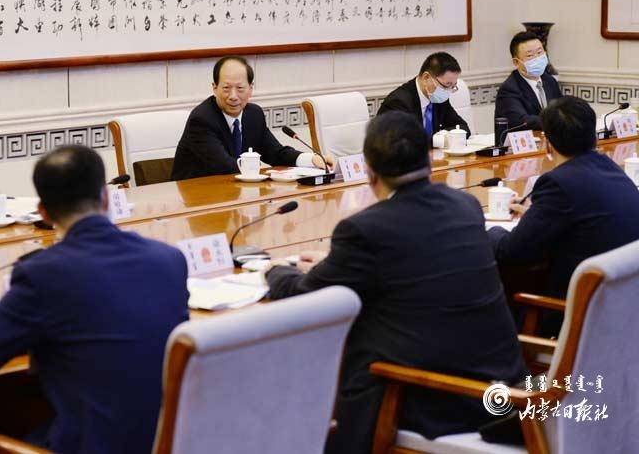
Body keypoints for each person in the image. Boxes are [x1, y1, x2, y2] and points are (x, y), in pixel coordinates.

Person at [265, 112, 525, 454]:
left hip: (439, 400)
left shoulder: (364, 230)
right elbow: (412, 258)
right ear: (430, 160)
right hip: (505, 389)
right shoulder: (465, 206)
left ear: (370, 172)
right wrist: (335, 265)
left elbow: (306, 295)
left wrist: (274, 270)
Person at [0, 145, 190, 454]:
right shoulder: (168, 259)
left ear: (43, 212)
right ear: (105, 198)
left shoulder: (43, 274)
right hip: (168, 441)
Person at [489, 96, 639, 331]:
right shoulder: (611, 168)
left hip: (575, 318)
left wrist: (490, 230)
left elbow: (512, 251)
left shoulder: (557, 183)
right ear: (593, 137)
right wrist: (537, 214)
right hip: (622, 315)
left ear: (547, 143)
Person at [171, 56, 335, 180]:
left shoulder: (254, 115)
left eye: (240, 88)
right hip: (199, 199)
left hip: (236, 195)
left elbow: (276, 153)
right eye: (226, 88)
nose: (233, 96)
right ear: (214, 88)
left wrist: (312, 159)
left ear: (251, 88)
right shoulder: (201, 120)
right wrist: (266, 174)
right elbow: (225, 167)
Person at [377, 51, 471, 139]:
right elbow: (405, 143)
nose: (448, 91)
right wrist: (438, 140)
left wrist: (443, 135)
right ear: (426, 77)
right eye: (446, 85)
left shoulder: (439, 99)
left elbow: (463, 128)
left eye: (453, 86)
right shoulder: (398, 103)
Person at [494, 31, 561, 130]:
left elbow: (562, 110)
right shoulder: (509, 89)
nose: (537, 58)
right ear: (516, 62)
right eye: (530, 56)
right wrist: (557, 121)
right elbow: (522, 121)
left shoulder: (550, 81)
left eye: (539, 53)